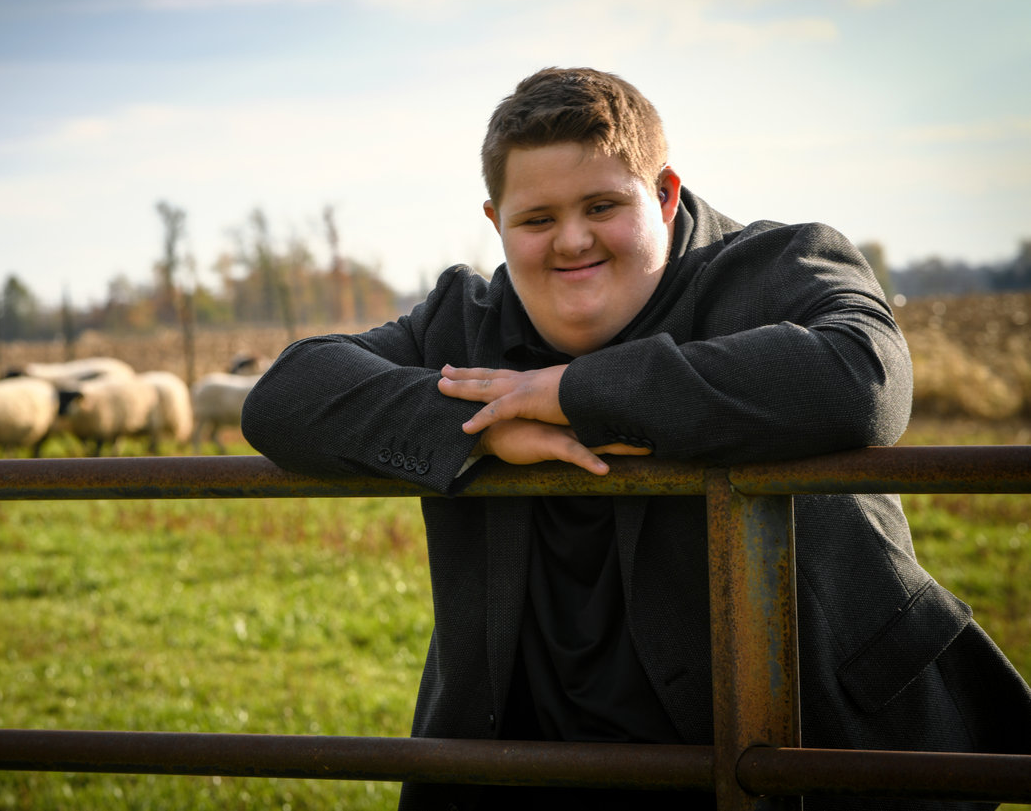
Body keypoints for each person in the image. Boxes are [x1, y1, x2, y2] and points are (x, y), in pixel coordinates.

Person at [240, 67, 1031, 810]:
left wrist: (570, 393)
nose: (572, 240)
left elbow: (864, 377)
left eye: (602, 206)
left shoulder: (778, 267)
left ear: (664, 191)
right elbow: (286, 394)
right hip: (531, 767)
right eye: (537, 219)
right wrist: (485, 427)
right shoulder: (464, 321)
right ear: (496, 223)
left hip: (802, 752)